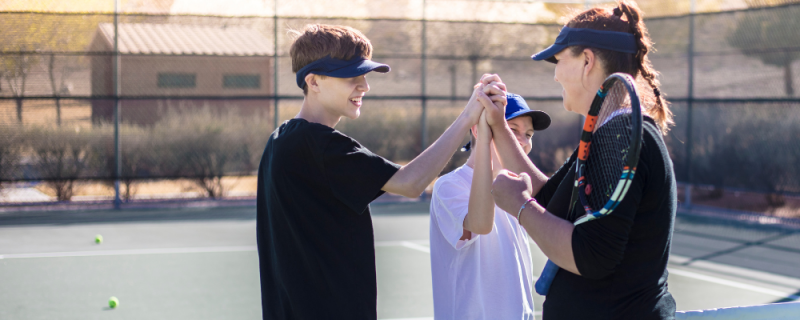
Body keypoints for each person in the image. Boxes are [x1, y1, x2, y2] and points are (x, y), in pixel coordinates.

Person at [256, 24, 506, 319]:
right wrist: (467, 117)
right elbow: (411, 183)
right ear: (314, 81)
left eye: (364, 75)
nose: (364, 86)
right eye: (351, 76)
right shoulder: (318, 144)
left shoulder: (280, 140)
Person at [486, 1, 678, 319]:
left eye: (558, 61)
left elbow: (591, 257)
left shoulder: (618, 137)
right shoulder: (608, 132)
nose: (556, 76)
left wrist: (519, 207)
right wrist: (498, 125)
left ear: (587, 61)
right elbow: (550, 201)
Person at [429, 93, 551, 320]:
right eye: (512, 130)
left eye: (528, 134)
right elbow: (480, 224)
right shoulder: (449, 186)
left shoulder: (516, 189)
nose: (523, 141)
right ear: (478, 130)